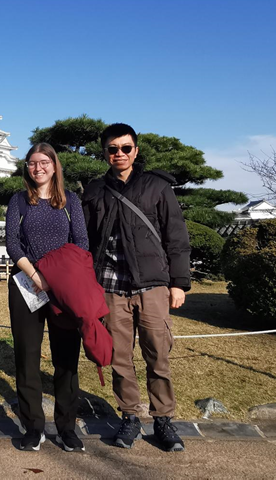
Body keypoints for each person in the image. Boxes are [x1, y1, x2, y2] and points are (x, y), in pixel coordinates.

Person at [81, 123, 191, 452]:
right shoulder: (94, 190)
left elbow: (176, 235)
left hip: (152, 284)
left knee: (158, 354)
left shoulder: (157, 187)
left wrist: (179, 283)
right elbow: (86, 241)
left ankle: (163, 420)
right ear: (105, 153)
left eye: (125, 148)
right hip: (110, 285)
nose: (119, 154)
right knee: (119, 357)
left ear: (136, 151)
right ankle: (129, 416)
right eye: (113, 149)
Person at [5, 142, 89, 452]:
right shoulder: (18, 201)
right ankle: (33, 426)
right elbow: (12, 243)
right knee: (26, 357)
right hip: (26, 285)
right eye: (31, 163)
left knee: (66, 357)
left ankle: (67, 427)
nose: (37, 168)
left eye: (43, 162)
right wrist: (36, 276)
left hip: (64, 289)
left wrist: (57, 278)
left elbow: (81, 244)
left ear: (54, 166)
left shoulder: (71, 202)